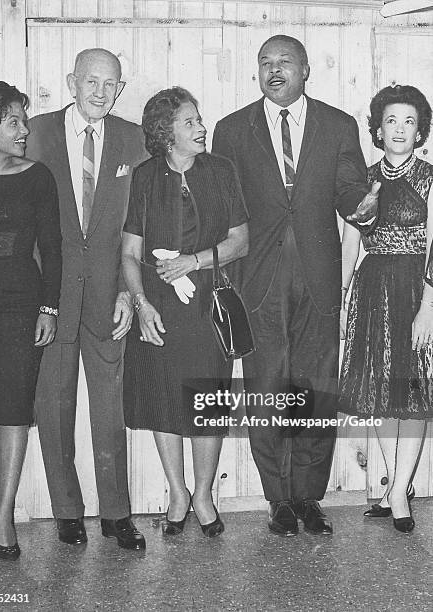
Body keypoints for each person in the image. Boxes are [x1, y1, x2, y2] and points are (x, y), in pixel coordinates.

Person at [212, 34, 379, 537]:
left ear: (306, 70)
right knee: (267, 389)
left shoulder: (337, 124)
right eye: (265, 63)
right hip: (257, 279)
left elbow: (349, 189)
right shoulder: (232, 129)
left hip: (319, 275)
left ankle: (309, 496)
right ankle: (277, 499)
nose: (274, 69)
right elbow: (227, 207)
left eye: (284, 61)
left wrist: (362, 207)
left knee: (317, 387)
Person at [26, 48, 147, 550]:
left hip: (107, 295)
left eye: (110, 84)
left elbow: (137, 226)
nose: (100, 92)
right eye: (91, 82)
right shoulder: (35, 133)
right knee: (53, 407)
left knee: (109, 407)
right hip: (50, 296)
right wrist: (34, 296)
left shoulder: (134, 140)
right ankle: (66, 512)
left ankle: (117, 513)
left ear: (120, 88)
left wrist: (127, 291)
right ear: (71, 81)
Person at [122, 87, 248, 537]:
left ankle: (203, 496)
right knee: (163, 398)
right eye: (190, 121)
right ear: (166, 132)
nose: (201, 127)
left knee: (207, 403)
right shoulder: (145, 177)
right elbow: (130, 251)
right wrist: (141, 303)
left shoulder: (220, 170)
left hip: (207, 304)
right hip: (159, 305)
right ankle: (177, 494)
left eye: (199, 119)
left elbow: (240, 241)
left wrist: (192, 261)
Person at [0, 81, 62, 560]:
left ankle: (5, 513)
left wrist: (49, 307)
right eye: (14, 122)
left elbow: (54, 249)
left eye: (24, 120)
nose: (25, 130)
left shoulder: (37, 176)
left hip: (22, 306)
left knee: (15, 409)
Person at [340, 84, 433, 533]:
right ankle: (395, 483)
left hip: (418, 289)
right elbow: (350, 242)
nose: (399, 129)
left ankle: (398, 492)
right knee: (375, 390)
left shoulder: (431, 178)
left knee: (412, 392)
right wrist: (341, 299)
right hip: (372, 287)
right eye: (391, 120)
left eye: (409, 121)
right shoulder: (364, 180)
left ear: (420, 132)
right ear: (378, 128)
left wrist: (428, 309)